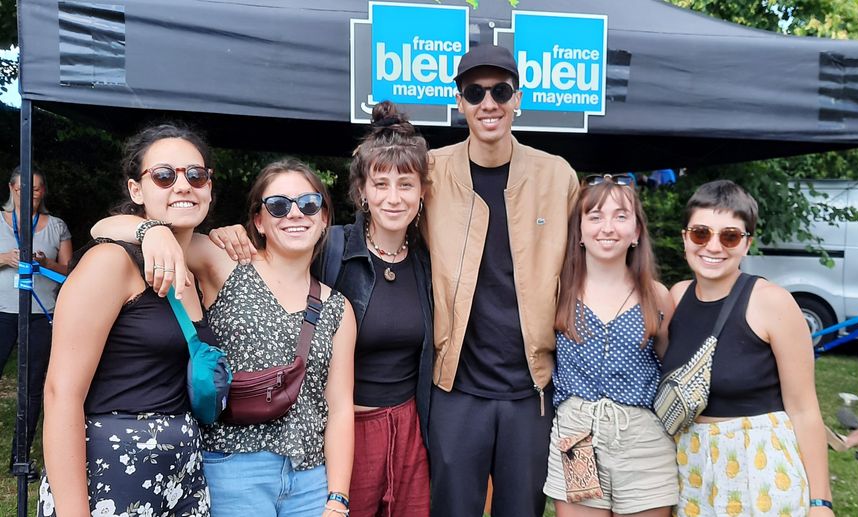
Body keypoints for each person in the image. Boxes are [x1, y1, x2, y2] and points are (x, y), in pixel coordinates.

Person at [90, 158, 357, 517]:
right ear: (259, 221)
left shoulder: (338, 307)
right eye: (278, 205)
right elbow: (102, 229)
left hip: (309, 479)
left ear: (324, 218)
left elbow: (339, 409)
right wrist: (151, 231)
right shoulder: (224, 263)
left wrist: (337, 499)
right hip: (232, 468)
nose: (295, 213)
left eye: (309, 203)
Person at [208, 101, 434, 516]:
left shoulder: (426, 261)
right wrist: (202, 235)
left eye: (406, 184)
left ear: (422, 193)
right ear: (362, 192)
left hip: (402, 429)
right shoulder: (330, 247)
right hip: (333, 434)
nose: (393, 197)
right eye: (381, 184)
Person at [422, 44, 580, 517]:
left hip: (531, 390)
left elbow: (589, 267)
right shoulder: (430, 172)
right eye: (475, 93)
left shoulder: (557, 176)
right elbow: (379, 233)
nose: (488, 103)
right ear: (459, 102)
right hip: (455, 387)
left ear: (517, 99)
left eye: (500, 91)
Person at [40, 123, 214, 515]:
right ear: (136, 190)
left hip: (182, 477)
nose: (183, 186)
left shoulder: (193, 270)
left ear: (209, 186)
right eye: (164, 176)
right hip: (112, 471)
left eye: (196, 175)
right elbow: (61, 393)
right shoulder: (110, 262)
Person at [661, 180, 834, 517]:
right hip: (693, 470)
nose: (713, 246)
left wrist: (820, 502)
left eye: (729, 236)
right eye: (700, 233)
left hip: (761, 469)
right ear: (685, 238)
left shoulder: (772, 302)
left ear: (746, 243)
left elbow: (804, 409)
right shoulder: (677, 297)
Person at [544, 174, 677, 517]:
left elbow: (671, 366)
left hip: (643, 441)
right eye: (595, 216)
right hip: (577, 437)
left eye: (620, 216)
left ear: (636, 232)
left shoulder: (657, 297)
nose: (608, 227)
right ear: (579, 231)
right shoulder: (558, 293)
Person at [0, 166, 72, 477]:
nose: (29, 194)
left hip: (42, 314)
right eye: (23, 189)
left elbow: (69, 271)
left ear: (43, 193)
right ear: (11, 189)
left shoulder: (56, 226)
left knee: (31, 388)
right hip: (3, 312)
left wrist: (45, 262)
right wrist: (5, 258)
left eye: (36, 189)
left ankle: (19, 459)